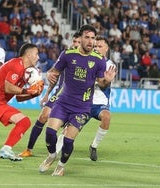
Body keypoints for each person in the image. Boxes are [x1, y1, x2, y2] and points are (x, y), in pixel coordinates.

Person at [38, 24, 116, 176]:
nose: (90, 41)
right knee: (50, 133)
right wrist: (49, 74)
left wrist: (107, 80)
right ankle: (52, 155)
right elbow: (54, 72)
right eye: (87, 37)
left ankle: (61, 165)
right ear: (79, 39)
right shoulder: (67, 54)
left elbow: (101, 83)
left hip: (82, 107)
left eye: (93, 38)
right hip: (63, 102)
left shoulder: (99, 60)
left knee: (68, 140)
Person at [18, 32, 81, 157]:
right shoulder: (66, 55)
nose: (76, 44)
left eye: (79, 42)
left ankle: (56, 152)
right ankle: (29, 149)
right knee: (43, 116)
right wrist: (47, 94)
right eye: (74, 41)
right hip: (60, 93)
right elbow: (54, 75)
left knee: (64, 128)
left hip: (75, 97)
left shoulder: (87, 59)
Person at [88, 36, 116, 161]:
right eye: (95, 46)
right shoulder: (86, 60)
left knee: (107, 116)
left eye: (100, 46)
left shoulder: (110, 65)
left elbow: (104, 86)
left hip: (100, 102)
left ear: (106, 48)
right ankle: (56, 150)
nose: (97, 49)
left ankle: (94, 146)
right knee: (70, 128)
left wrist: (105, 81)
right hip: (84, 101)